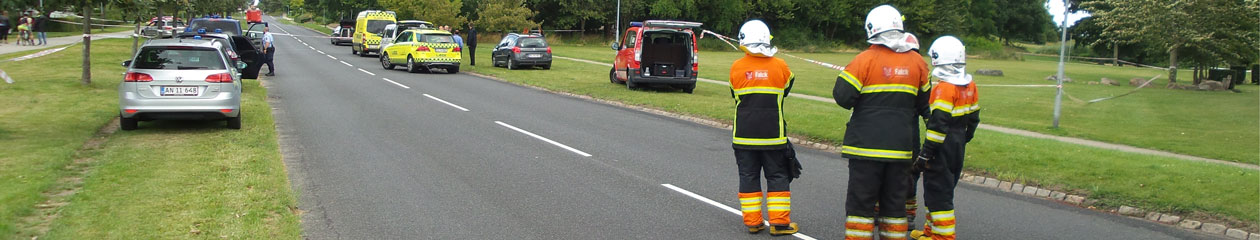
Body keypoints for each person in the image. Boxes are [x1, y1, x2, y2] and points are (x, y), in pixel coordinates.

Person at [832, 5, 930, 240]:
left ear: (872, 29)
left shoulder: (863, 60)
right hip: (901, 149)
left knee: (861, 206)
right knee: (895, 207)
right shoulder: (918, 63)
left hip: (864, 147)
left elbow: (843, 98)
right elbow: (927, 106)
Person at [728, 19, 801, 236]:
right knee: (777, 176)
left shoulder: (736, 67)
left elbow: (734, 94)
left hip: (743, 137)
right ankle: (779, 224)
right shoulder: (781, 66)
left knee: (748, 177)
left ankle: (753, 222)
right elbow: (787, 88)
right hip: (773, 136)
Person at [905, 36, 979, 240]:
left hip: (941, 147)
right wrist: (964, 139)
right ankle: (931, 231)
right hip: (958, 144)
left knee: (938, 194)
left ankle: (943, 237)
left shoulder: (943, 89)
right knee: (939, 190)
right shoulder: (970, 85)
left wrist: (925, 155)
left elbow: (937, 127)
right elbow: (974, 119)